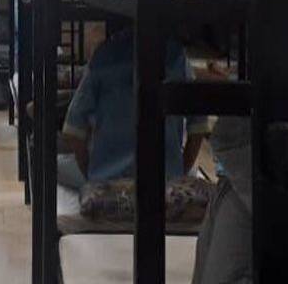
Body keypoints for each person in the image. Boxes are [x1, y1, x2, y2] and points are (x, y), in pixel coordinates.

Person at [59, 29, 208, 189]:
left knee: (59, 165)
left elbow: (73, 132)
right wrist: (179, 173)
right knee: (194, 172)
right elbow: (198, 126)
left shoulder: (104, 55)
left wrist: (92, 178)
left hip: (108, 182)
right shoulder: (176, 57)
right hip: (164, 183)